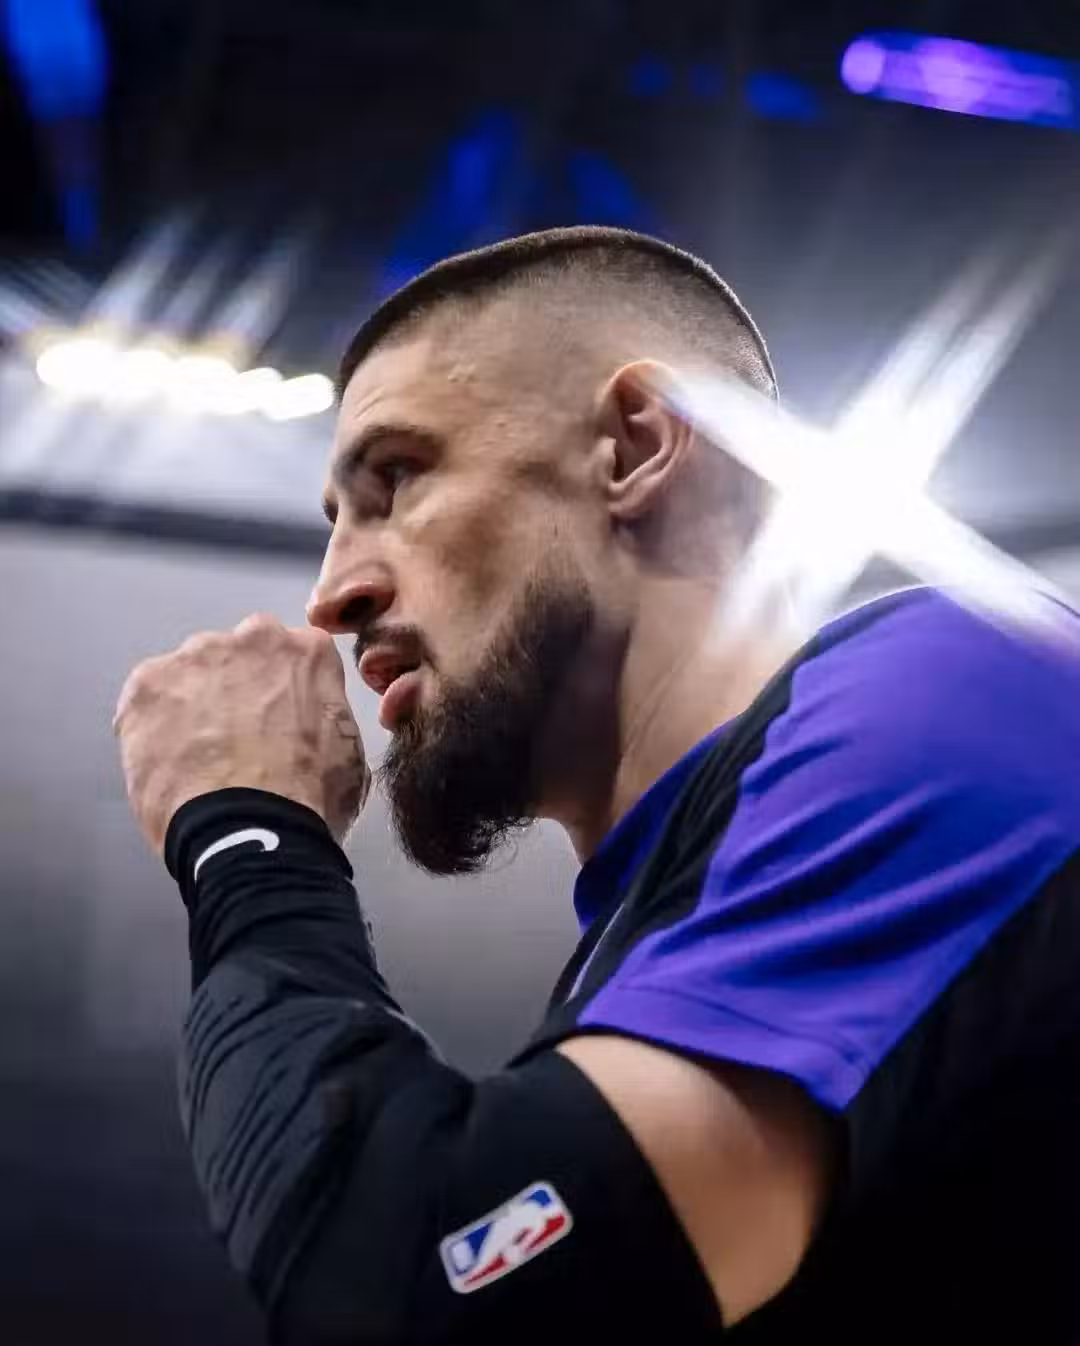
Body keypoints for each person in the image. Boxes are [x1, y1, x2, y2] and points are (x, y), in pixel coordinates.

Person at [114, 226, 1080, 1345]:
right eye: (335, 526)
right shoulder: (644, 942)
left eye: (397, 478)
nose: (333, 594)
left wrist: (247, 833)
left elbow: (431, 1292)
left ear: (633, 447)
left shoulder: (960, 685)